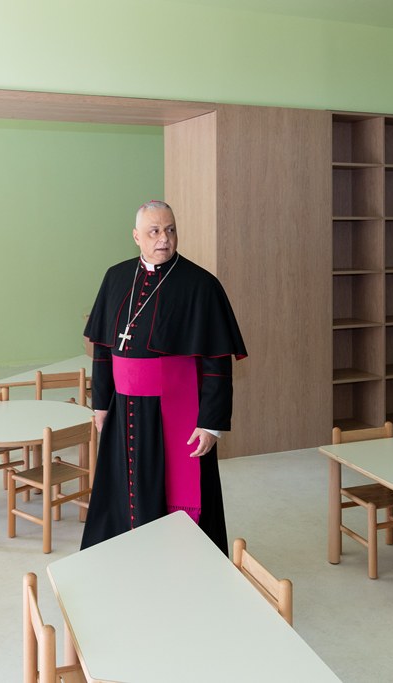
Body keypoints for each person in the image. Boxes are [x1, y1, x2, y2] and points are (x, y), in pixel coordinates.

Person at [80, 200, 247, 554]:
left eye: (170, 230)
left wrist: (211, 423)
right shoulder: (116, 277)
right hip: (123, 407)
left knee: (174, 489)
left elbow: (216, 363)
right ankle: (125, 554)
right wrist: (101, 405)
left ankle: (180, 558)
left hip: (173, 411)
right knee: (121, 488)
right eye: (154, 231)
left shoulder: (200, 285)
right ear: (136, 236)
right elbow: (103, 349)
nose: (164, 239)